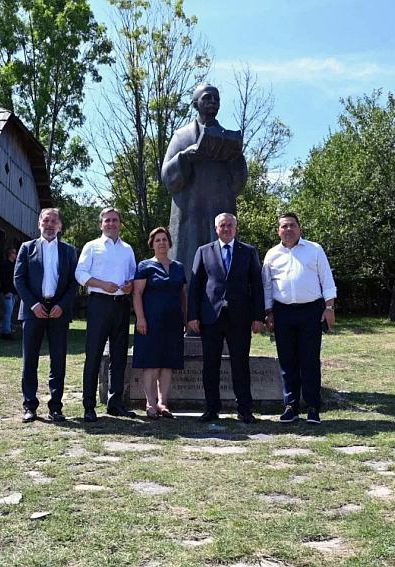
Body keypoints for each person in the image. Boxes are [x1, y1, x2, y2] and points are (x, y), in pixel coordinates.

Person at [161, 83, 248, 283]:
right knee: (187, 266)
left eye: (216, 99)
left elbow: (239, 184)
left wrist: (236, 158)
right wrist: (185, 156)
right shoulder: (182, 136)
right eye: (207, 98)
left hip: (219, 210)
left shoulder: (226, 136)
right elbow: (167, 177)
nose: (212, 102)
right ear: (195, 103)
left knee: (220, 268)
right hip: (189, 214)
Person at [187, 212, 265, 423]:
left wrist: (259, 316)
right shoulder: (204, 251)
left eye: (230, 225)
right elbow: (195, 286)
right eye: (223, 225)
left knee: (240, 364)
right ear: (216, 228)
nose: (227, 228)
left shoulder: (248, 252)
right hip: (211, 317)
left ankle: (244, 409)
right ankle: (212, 408)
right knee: (210, 365)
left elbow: (256, 286)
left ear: (236, 228)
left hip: (239, 317)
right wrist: (192, 315)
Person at [262, 213, 336, 425]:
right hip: (282, 312)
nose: (288, 229)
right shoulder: (272, 255)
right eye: (284, 226)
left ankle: (313, 408)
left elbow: (327, 280)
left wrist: (329, 308)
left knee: (310, 360)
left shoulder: (314, 249)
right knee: (287, 361)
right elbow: (267, 287)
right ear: (278, 231)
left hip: (311, 311)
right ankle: (291, 406)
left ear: (299, 228)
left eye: (292, 225)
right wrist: (269, 313)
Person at [14, 208, 79, 423]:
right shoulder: (27, 248)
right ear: (39, 223)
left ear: (60, 225)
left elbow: (74, 282)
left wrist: (62, 305)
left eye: (54, 221)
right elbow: (19, 279)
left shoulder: (69, 251)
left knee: (58, 360)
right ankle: (30, 406)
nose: (49, 225)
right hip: (34, 311)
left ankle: (56, 407)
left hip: (58, 311)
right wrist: (33, 305)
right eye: (46, 220)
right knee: (30, 360)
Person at [76, 207, 138, 422]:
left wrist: (129, 285)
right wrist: (102, 284)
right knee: (93, 354)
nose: (111, 224)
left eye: (115, 220)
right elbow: (80, 273)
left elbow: (132, 274)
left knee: (119, 355)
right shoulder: (92, 247)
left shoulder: (127, 249)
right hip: (99, 304)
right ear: (101, 224)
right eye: (107, 220)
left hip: (121, 305)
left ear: (120, 223)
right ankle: (89, 405)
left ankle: (115, 402)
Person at [132, 227, 187, 420]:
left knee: (167, 364)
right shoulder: (144, 266)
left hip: (173, 322)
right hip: (150, 321)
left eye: (164, 239)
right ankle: (150, 404)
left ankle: (163, 403)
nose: (161, 243)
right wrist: (140, 318)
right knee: (152, 363)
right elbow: (137, 293)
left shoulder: (179, 267)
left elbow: (183, 294)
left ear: (170, 243)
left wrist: (186, 318)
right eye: (157, 240)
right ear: (152, 244)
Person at [0, 247, 18, 340]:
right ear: (10, 254)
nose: (16, 255)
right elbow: (3, 279)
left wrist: (16, 293)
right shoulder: (4, 265)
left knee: (9, 312)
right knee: (8, 312)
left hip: (12, 292)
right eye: (14, 253)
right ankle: (6, 332)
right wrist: (6, 292)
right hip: (6, 292)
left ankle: (6, 331)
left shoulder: (14, 265)